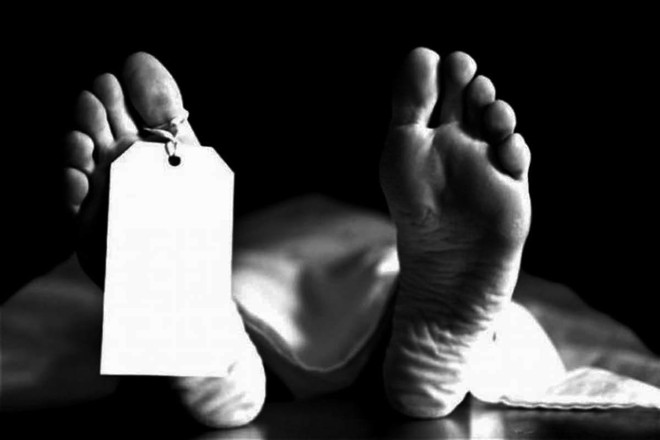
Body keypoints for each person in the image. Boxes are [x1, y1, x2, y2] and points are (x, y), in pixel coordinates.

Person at [2, 49, 655, 428]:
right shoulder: (376, 218)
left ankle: (217, 342)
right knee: (404, 280)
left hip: (250, 256)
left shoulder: (254, 218)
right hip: (377, 257)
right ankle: (447, 339)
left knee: (236, 283)